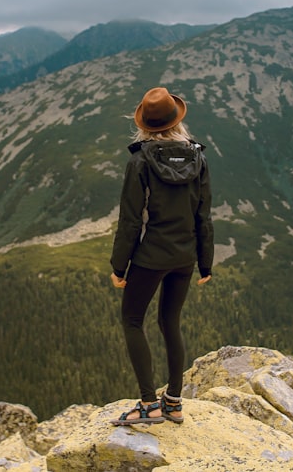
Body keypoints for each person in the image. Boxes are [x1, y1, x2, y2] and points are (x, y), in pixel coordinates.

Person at [109, 86, 214, 426]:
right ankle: (174, 402)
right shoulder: (198, 158)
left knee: (132, 321)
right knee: (170, 322)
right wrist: (205, 262)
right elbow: (204, 216)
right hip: (184, 258)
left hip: (151, 256)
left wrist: (119, 267)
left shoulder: (140, 160)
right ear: (177, 120)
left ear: (145, 125)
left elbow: (129, 219)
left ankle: (148, 403)